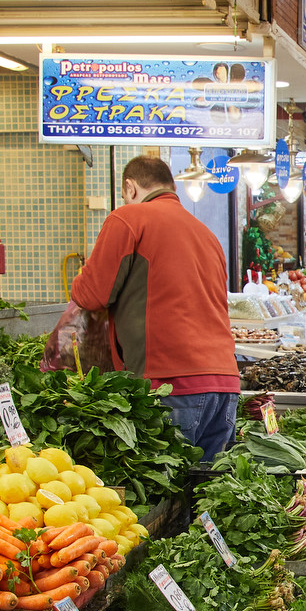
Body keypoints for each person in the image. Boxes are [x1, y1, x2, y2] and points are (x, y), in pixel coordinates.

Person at [70, 154, 239, 459]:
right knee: (205, 497)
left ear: (129, 188)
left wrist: (81, 273)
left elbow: (91, 294)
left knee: (164, 500)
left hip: (171, 386)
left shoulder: (128, 218)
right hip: (225, 384)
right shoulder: (207, 234)